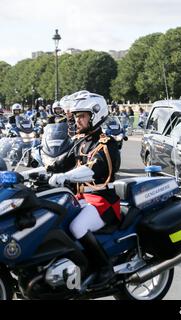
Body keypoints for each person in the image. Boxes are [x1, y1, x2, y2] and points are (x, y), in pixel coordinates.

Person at [49, 92, 121, 287]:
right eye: (76, 116)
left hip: (102, 202)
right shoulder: (81, 142)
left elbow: (92, 170)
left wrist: (66, 176)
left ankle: (105, 269)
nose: (77, 120)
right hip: (82, 199)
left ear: (95, 115)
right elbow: (60, 163)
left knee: (77, 227)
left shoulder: (107, 144)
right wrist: (37, 171)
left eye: (82, 116)